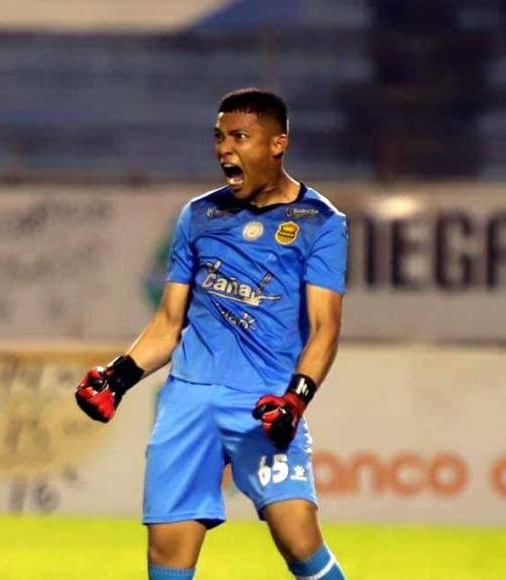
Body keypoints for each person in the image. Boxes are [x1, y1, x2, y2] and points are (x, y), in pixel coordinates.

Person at [75, 88, 348, 580]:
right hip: (189, 401)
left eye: (239, 137)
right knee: (168, 555)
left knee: (299, 539)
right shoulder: (199, 216)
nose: (225, 149)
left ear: (277, 144)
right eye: (219, 137)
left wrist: (295, 400)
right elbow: (168, 323)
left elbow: (325, 329)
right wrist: (118, 378)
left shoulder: (321, 223)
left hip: (264, 404)